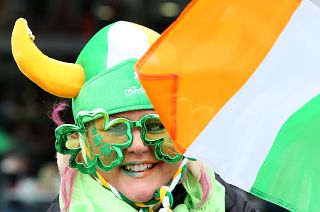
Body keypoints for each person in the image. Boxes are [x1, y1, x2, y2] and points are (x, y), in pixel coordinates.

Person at [11, 18, 258, 212]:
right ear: (81, 143)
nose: (138, 145)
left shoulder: (227, 204)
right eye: (115, 128)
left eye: (156, 125)